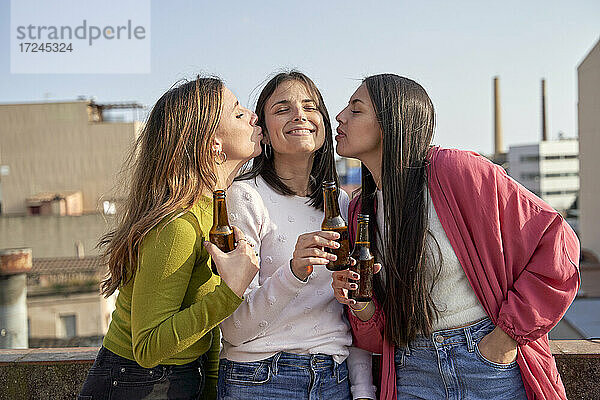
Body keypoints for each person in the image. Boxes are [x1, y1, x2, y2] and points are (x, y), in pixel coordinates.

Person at [331, 74, 580, 400]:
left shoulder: (455, 171)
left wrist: (505, 339)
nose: (340, 117)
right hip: (412, 368)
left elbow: (558, 243)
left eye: (356, 109)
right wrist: (360, 303)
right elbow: (378, 338)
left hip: (486, 363)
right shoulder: (361, 208)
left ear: (392, 122)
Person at [78, 76, 262, 400]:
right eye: (237, 113)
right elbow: (148, 347)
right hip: (135, 383)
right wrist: (231, 292)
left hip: (180, 378)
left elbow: (207, 332)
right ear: (213, 144)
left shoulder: (215, 209)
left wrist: (213, 385)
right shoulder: (178, 225)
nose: (252, 115)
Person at [217, 71, 376, 400]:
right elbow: (233, 329)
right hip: (260, 379)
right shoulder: (244, 197)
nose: (300, 115)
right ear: (264, 130)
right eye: (282, 109)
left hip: (334, 379)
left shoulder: (343, 204)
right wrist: (292, 272)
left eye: (310, 106)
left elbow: (350, 310)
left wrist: (363, 390)